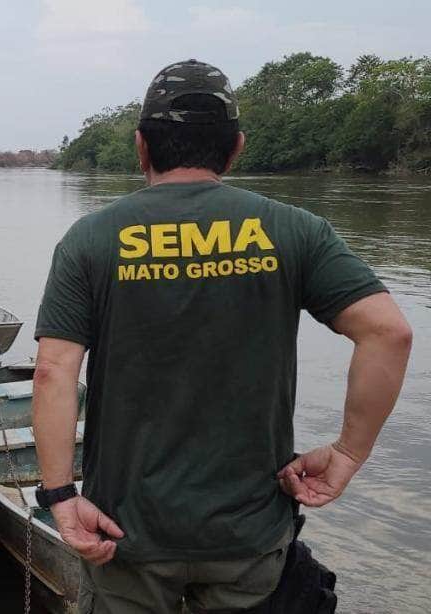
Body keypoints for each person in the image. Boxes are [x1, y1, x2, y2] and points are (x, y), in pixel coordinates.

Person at [30, 59, 412, 613]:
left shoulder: (91, 239)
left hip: (126, 532)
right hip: (249, 534)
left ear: (142, 147)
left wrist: (62, 497)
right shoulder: (294, 229)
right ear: (235, 148)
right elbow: (389, 333)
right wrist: (349, 452)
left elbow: (52, 373)